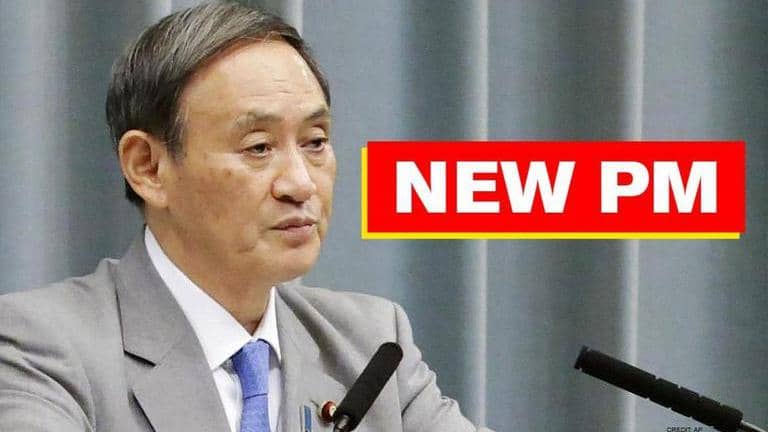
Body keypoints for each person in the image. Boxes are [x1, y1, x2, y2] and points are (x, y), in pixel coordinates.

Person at [0, 2, 493, 431]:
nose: (300, 184)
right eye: (258, 147)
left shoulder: (370, 346)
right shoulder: (41, 347)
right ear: (147, 167)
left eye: (315, 142)